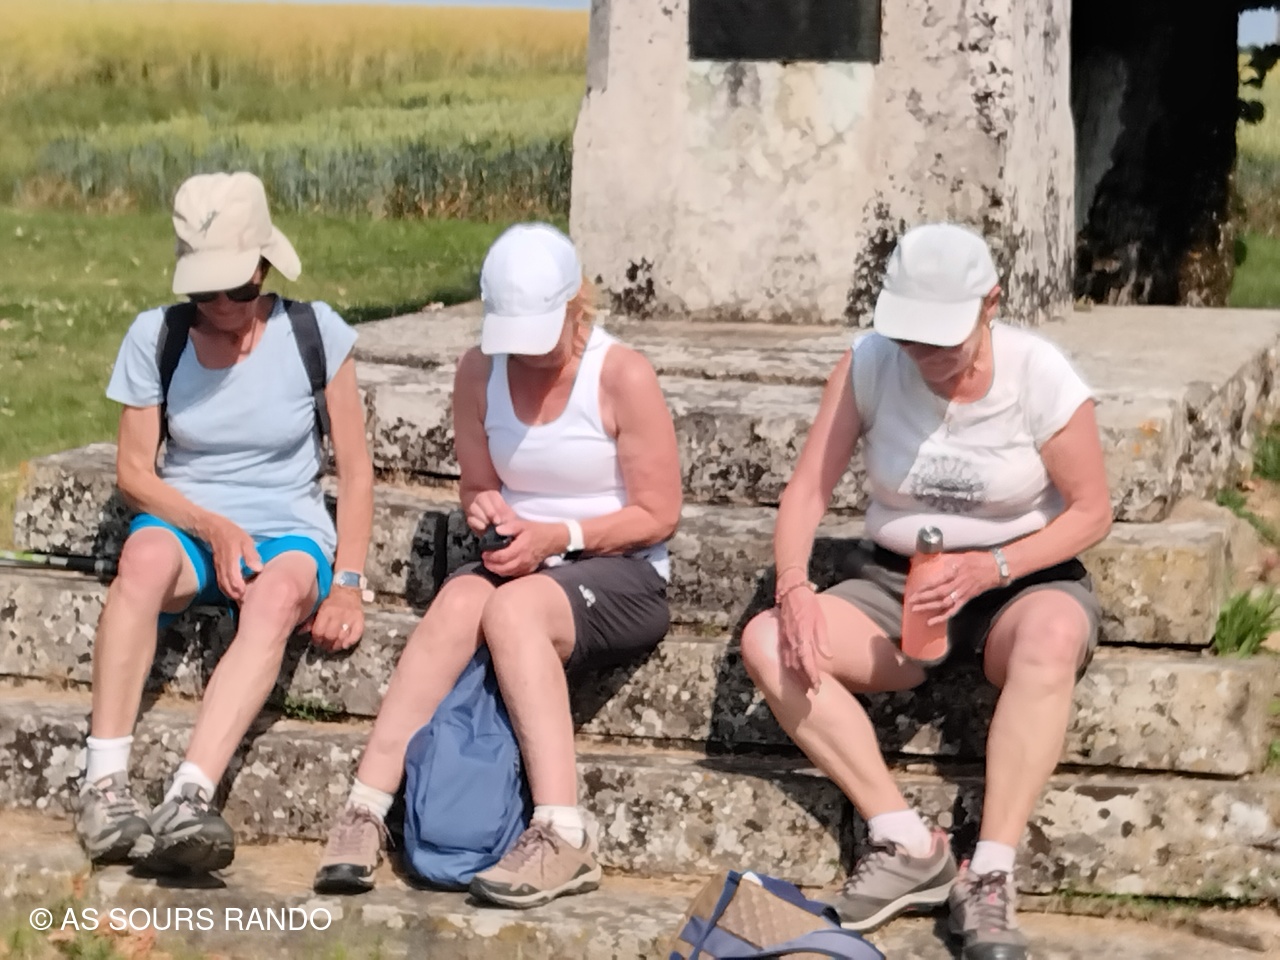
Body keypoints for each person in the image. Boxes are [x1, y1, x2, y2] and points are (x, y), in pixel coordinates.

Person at [739, 223, 1112, 960]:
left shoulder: (1040, 374)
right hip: (896, 580)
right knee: (767, 641)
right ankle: (905, 842)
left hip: (1020, 582)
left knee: (1052, 638)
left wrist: (993, 566)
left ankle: (991, 873)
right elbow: (807, 490)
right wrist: (794, 587)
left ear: (990, 305)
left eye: (942, 340)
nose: (925, 356)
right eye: (911, 337)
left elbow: (1091, 511)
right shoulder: (871, 363)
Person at [313, 222, 682, 907]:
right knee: (459, 600)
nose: (525, 353)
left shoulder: (621, 374)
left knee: (512, 610)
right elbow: (479, 485)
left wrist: (558, 536)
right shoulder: (479, 370)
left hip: (620, 571)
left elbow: (658, 514)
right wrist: (488, 511)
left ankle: (562, 832)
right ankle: (366, 806)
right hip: (525, 560)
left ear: (574, 307)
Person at [75, 171, 374, 874]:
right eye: (204, 291)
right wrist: (210, 528)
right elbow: (135, 473)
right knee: (142, 563)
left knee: (276, 597)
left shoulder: (316, 333)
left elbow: (357, 472)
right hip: (186, 523)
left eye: (236, 289)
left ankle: (190, 795)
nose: (220, 305)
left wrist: (348, 585)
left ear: (264, 267)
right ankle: (103, 785)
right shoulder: (156, 336)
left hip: (287, 529)